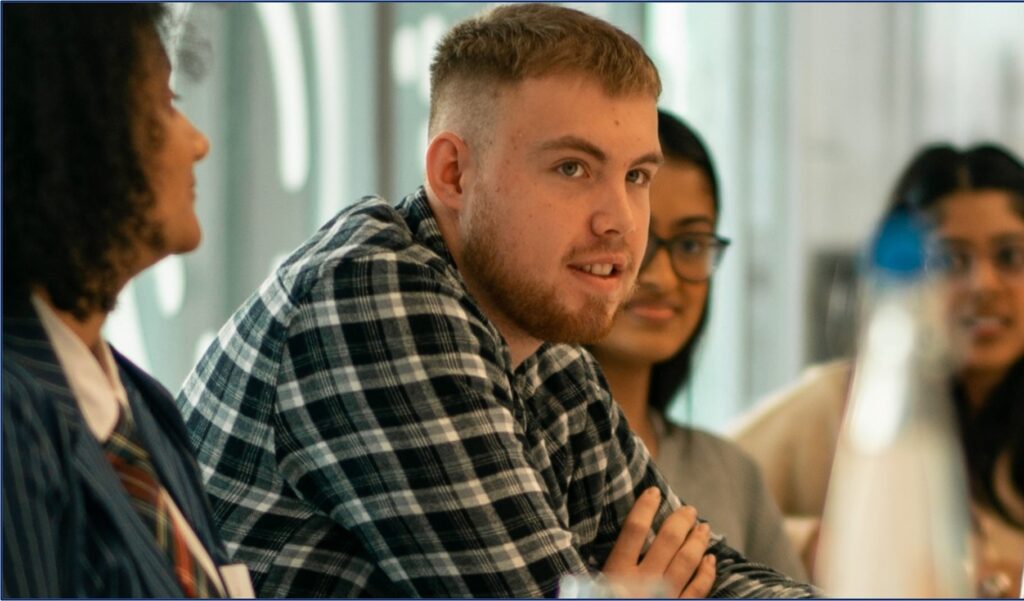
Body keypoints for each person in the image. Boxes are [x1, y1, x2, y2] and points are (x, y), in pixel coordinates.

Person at [177, 4, 815, 598]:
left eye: (636, 176)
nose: (621, 221)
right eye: (572, 168)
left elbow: (714, 574)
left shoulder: (545, 346)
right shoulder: (372, 298)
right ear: (453, 173)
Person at [1, 4, 253, 598]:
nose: (199, 142)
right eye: (167, 105)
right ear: (74, 137)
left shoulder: (144, 404)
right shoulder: (12, 419)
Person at [733, 143, 1024, 597]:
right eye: (949, 260)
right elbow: (703, 494)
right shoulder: (846, 402)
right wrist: (812, 543)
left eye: (1010, 256)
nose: (983, 286)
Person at [588, 109, 807, 580]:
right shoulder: (514, 456)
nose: (662, 278)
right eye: (639, 240)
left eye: (690, 244)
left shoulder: (732, 473)